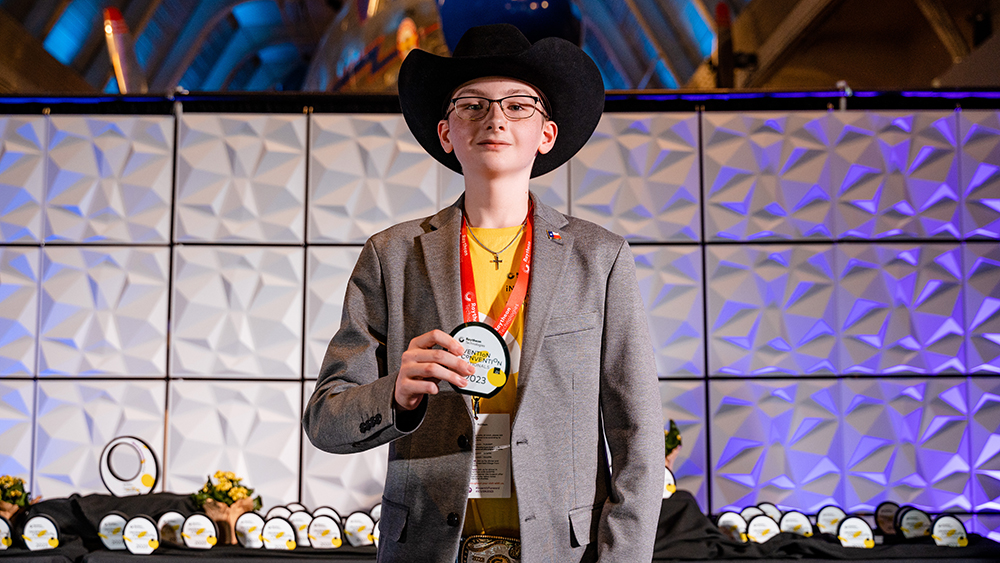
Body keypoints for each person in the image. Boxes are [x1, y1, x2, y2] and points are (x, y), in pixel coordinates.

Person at [303, 23, 662, 563]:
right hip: (429, 546)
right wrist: (396, 395)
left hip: (559, 550)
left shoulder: (600, 258)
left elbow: (638, 433)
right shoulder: (392, 255)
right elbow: (326, 420)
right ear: (446, 133)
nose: (495, 118)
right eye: (472, 105)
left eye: (519, 105)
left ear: (547, 133)